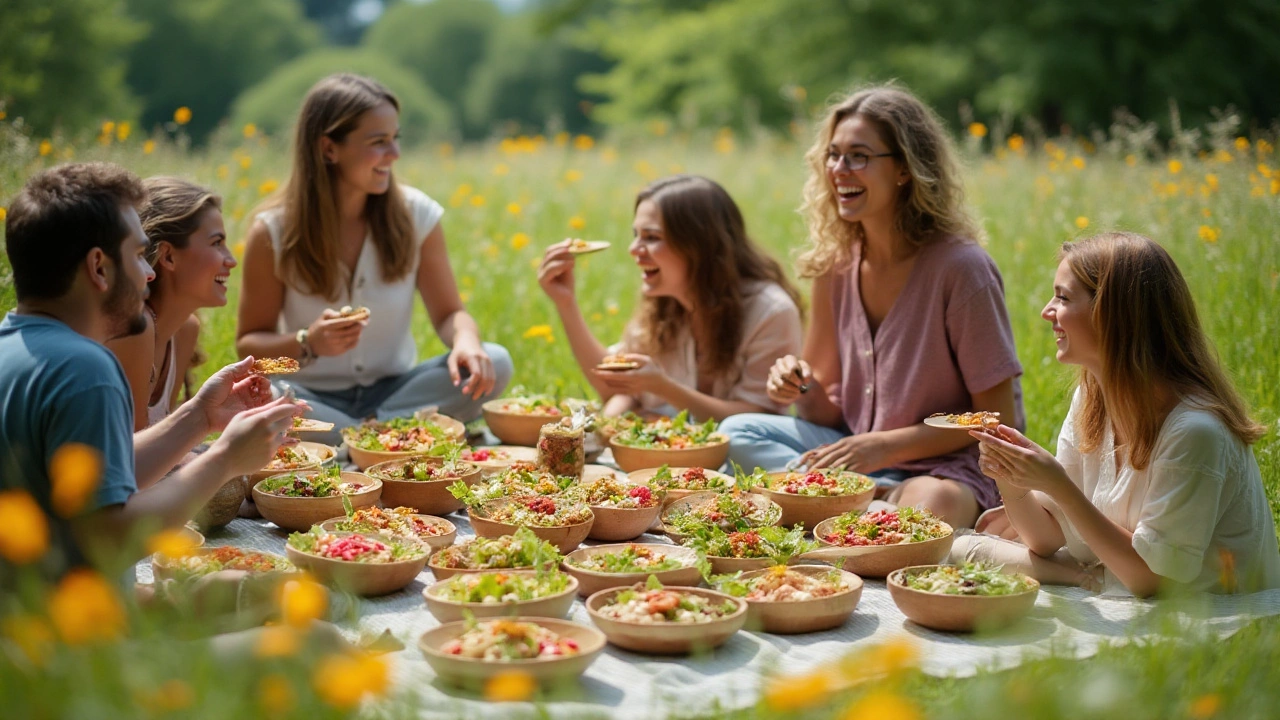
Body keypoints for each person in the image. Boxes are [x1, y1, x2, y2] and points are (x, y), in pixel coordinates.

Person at [719, 84, 1022, 529]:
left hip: (945, 465)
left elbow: (996, 420)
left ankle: (841, 506)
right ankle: (867, 507)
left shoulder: (962, 269)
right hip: (860, 450)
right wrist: (801, 386)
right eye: (833, 155)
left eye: (858, 156)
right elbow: (826, 410)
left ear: (904, 169)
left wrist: (882, 447)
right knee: (735, 434)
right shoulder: (833, 265)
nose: (839, 169)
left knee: (929, 503)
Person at [0, 162, 302, 580]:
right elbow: (110, 541)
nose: (149, 272)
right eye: (139, 255)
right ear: (98, 267)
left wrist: (200, 417)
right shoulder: (85, 367)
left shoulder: (16, 345)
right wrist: (224, 459)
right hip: (73, 630)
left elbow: (109, 474)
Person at [954, 232, 1280, 596]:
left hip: (1205, 613)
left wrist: (1058, 484)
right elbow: (1044, 539)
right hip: (1118, 581)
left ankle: (1077, 577)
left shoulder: (1195, 432)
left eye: (1062, 297)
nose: (1047, 311)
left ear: (1112, 313)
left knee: (978, 556)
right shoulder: (1092, 399)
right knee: (959, 549)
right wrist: (1010, 478)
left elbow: (1152, 581)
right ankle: (1078, 576)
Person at [235, 73, 511, 440]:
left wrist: (466, 343)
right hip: (310, 396)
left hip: (397, 391)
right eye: (378, 142)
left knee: (498, 360)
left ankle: (354, 437)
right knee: (261, 395)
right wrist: (307, 342)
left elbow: (450, 315)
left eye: (395, 139)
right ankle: (391, 435)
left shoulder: (418, 216)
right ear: (329, 149)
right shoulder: (272, 232)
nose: (394, 154)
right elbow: (250, 345)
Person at [536, 174, 803, 421]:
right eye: (636, 235)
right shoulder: (662, 307)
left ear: (699, 246)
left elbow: (754, 419)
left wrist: (663, 387)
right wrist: (566, 303)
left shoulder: (770, 311)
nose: (634, 250)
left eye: (651, 237)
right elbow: (614, 386)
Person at [106, 177, 234, 434]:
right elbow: (133, 462)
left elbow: (162, 447)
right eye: (216, 243)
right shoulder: (133, 331)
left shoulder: (184, 331)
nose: (231, 260)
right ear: (168, 256)